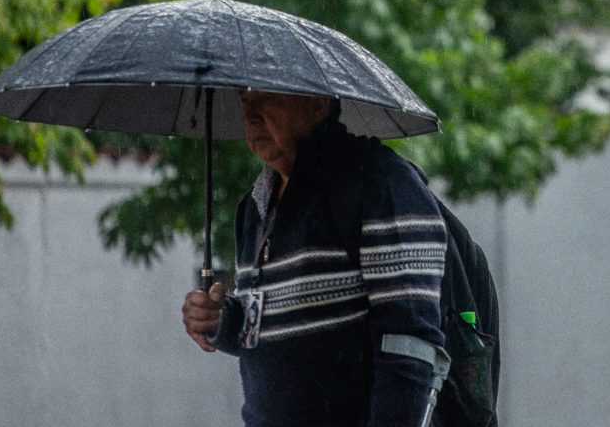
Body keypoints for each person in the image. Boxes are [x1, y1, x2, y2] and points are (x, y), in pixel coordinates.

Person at [181, 89, 447, 427]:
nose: (251, 115)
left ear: (320, 101)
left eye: (267, 97)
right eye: (245, 100)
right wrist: (222, 320)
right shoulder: (254, 207)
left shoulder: (379, 182)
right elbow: (279, 328)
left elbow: (410, 348)